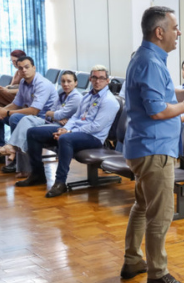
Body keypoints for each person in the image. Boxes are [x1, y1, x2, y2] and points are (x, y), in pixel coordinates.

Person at [121, 6, 184, 283]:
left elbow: (163, 95)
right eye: (175, 27)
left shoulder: (145, 58)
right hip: (154, 149)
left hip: (144, 146)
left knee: (143, 206)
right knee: (160, 213)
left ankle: (133, 260)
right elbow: (157, 111)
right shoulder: (151, 63)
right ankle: (158, 274)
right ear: (160, 32)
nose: (178, 32)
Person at [16, 65, 119, 199]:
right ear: (90, 79)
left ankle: (60, 182)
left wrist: (69, 131)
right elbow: (76, 117)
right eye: (94, 77)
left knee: (65, 139)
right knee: (33, 132)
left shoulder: (109, 101)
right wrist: (65, 129)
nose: (97, 81)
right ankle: (37, 174)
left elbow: (96, 127)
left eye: (101, 78)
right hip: (75, 131)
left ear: (107, 80)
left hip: (93, 137)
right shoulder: (88, 96)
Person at [0, 70, 82, 178]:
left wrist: (55, 115)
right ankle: (12, 146)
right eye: (63, 81)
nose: (66, 84)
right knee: (26, 119)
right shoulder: (62, 94)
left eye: (69, 81)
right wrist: (54, 115)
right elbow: (51, 112)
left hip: (63, 127)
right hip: (50, 121)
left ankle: (14, 149)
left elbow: (58, 114)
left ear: (75, 83)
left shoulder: (76, 97)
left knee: (29, 130)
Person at [0, 56, 58, 172]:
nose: (24, 70)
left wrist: (6, 112)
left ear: (34, 68)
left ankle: (18, 161)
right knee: (3, 117)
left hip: (45, 120)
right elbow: (16, 103)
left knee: (15, 117)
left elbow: (34, 110)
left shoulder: (42, 84)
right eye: (21, 68)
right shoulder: (23, 82)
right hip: (32, 117)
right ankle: (3, 151)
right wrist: (2, 112)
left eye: (26, 67)